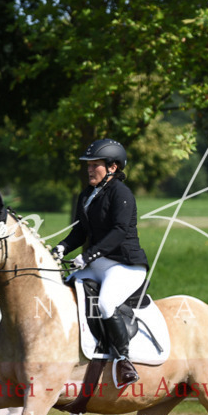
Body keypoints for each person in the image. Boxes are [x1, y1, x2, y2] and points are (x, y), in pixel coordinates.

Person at [52, 138, 148, 389]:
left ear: (113, 168)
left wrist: (87, 256)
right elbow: (79, 232)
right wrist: (62, 247)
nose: (89, 170)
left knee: (105, 303)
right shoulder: (86, 195)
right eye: (88, 165)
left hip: (125, 265)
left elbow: (118, 232)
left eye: (96, 165)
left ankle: (123, 360)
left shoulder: (121, 193)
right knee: (64, 292)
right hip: (97, 264)